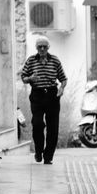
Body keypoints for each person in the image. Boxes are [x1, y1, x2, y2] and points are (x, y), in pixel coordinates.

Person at [21, 35, 67, 164]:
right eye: (39, 47)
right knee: (37, 124)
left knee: (53, 128)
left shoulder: (55, 60)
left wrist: (62, 88)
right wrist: (30, 79)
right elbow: (23, 77)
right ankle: (38, 151)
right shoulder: (31, 60)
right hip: (37, 95)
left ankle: (48, 156)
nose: (42, 49)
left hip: (52, 95)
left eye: (44, 47)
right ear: (36, 48)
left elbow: (63, 78)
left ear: (48, 48)